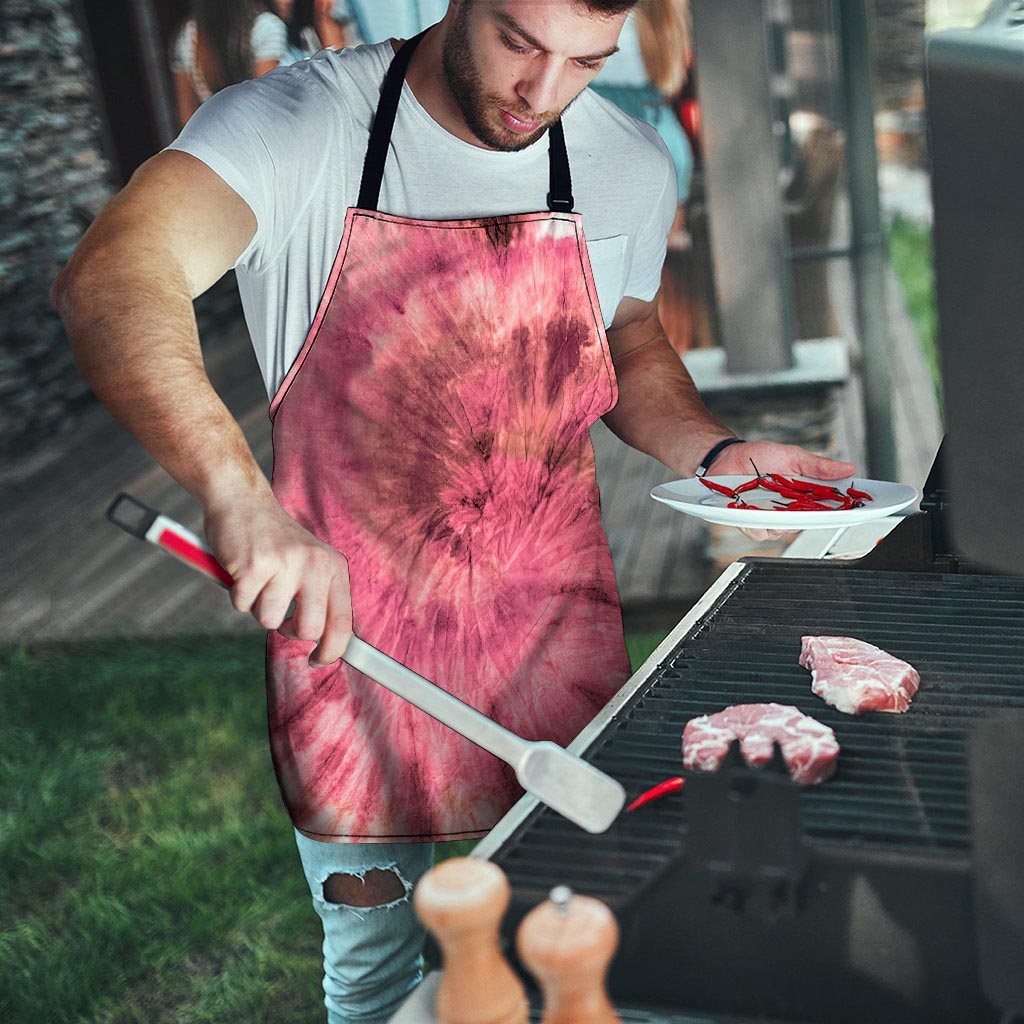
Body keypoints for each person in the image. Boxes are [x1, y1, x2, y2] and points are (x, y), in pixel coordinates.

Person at [52, 2, 856, 1020]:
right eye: (521, 43)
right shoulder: (299, 125)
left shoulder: (624, 161)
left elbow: (630, 334)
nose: (543, 92)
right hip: (354, 658)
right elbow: (113, 274)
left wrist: (717, 450)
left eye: (585, 62)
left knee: (585, 944)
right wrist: (237, 495)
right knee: (380, 977)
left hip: (554, 641)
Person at [170, 0, 288, 126]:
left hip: (215, 138)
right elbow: (265, 105)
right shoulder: (265, 27)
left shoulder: (187, 36)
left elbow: (187, 117)